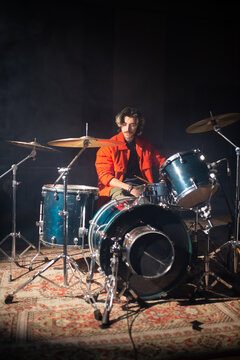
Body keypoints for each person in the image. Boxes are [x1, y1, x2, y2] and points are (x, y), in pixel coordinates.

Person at [95, 106, 165, 207]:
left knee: (154, 208)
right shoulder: (108, 147)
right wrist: (129, 188)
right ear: (120, 124)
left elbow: (162, 162)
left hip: (141, 188)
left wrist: (163, 179)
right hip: (116, 188)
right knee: (125, 206)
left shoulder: (145, 145)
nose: (128, 129)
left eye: (132, 125)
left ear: (138, 126)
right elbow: (105, 177)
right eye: (125, 124)